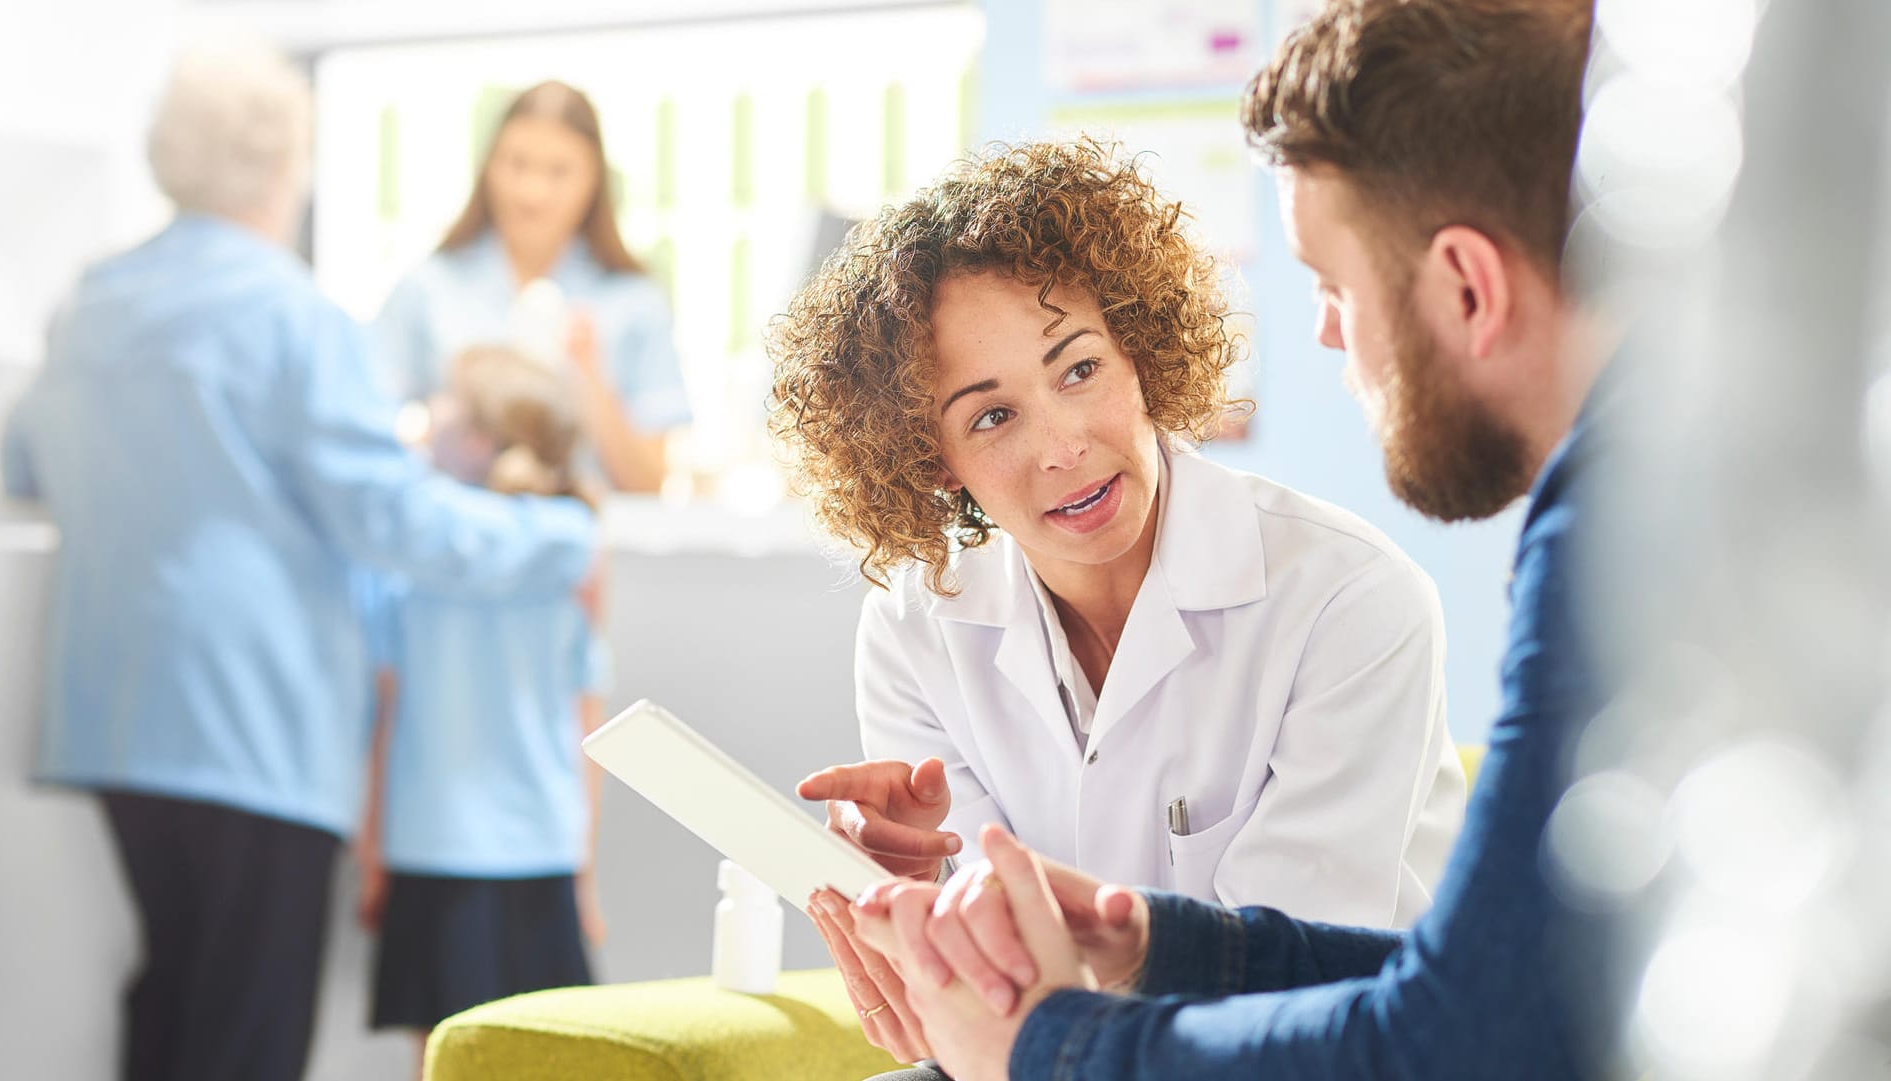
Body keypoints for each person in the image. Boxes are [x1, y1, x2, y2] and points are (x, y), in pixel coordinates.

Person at [845, 1, 1617, 1079]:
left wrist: (1055, 1038)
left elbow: (1434, 1023)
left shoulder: (1563, 551)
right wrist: (1141, 938)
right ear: (931, 458)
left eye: (1334, 285)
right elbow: (1490, 985)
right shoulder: (1624, 508)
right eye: (990, 415)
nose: (1323, 331)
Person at [765, 137, 1466, 1064]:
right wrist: (912, 901)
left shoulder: (1348, 599)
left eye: (1079, 369)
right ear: (935, 462)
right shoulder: (913, 627)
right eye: (992, 415)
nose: (1063, 447)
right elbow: (983, 1004)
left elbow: (1285, 994)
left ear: (1139, 351)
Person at [0, 45, 600, 1081]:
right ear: (285, 167)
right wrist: (555, 540)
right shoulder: (293, 314)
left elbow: (22, 455)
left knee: (175, 997)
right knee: (247, 1029)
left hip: (115, 716)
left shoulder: (95, 299)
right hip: (252, 726)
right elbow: (392, 517)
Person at [355, 345, 610, 1070]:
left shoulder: (403, 553)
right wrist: (584, 868)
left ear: (473, 437)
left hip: (429, 841)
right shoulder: (577, 541)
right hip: (541, 843)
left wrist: (374, 851)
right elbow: (585, 715)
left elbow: (387, 710)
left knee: (442, 1060)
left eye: (442, 401)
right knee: (540, 1060)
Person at [372, 80, 690, 493]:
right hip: (459, 539)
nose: (532, 192)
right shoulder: (429, 287)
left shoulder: (634, 301)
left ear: (594, 180)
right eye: (516, 164)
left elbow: (649, 484)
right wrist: (437, 437)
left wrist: (589, 377)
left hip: (584, 547)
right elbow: (369, 433)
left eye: (559, 171)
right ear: (489, 165)